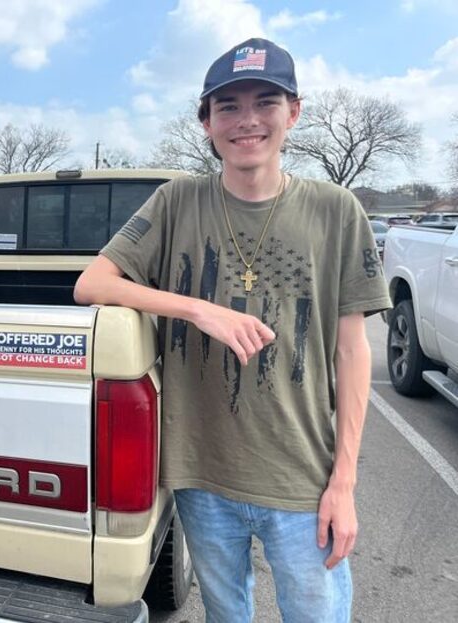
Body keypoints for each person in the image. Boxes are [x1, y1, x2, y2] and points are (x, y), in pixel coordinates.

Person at [74, 37, 391, 621]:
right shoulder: (177, 202)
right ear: (206, 123)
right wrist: (199, 309)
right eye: (228, 107)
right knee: (226, 614)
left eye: (265, 101)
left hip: (301, 477)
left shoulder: (337, 211)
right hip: (201, 473)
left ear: (294, 112)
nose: (247, 121)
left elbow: (353, 353)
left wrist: (343, 483)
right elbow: (92, 283)